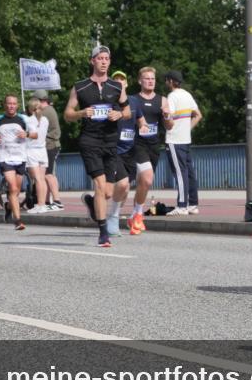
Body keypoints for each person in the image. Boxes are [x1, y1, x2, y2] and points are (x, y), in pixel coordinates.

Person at [64, 45, 129, 248]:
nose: (103, 61)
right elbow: (67, 114)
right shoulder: (80, 87)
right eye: (100, 58)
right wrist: (82, 113)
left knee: (108, 192)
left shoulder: (117, 87)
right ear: (92, 61)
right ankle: (103, 233)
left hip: (110, 142)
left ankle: (93, 204)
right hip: (89, 141)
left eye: (106, 58)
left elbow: (128, 111)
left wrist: (119, 114)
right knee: (100, 186)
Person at [128, 67, 172, 235]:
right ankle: (139, 214)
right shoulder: (133, 100)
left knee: (144, 183)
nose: (150, 81)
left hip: (154, 145)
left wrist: (167, 116)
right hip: (137, 144)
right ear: (140, 81)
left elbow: (169, 126)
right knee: (147, 178)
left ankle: (134, 215)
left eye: (152, 78)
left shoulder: (162, 100)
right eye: (146, 78)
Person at [0, 95, 30, 231]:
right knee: (12, 187)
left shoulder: (24, 119)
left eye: (14, 104)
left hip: (21, 157)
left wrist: (27, 135)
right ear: (4, 105)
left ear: (17, 105)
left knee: (16, 190)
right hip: (5, 157)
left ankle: (8, 207)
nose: (11, 106)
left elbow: (35, 134)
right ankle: (17, 220)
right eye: (9, 103)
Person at [164, 70, 201, 216]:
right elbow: (198, 115)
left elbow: (169, 120)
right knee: (189, 172)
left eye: (167, 80)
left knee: (180, 173)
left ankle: (181, 205)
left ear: (171, 81)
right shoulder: (187, 94)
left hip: (174, 139)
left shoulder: (172, 96)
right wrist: (188, 128)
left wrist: (166, 119)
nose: (166, 82)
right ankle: (192, 204)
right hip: (186, 139)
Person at [106, 70, 138, 235]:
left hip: (130, 152)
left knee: (122, 190)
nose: (119, 82)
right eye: (116, 80)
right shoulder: (110, 103)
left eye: (122, 80)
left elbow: (142, 120)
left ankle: (102, 209)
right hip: (113, 150)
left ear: (126, 83)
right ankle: (112, 217)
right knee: (122, 185)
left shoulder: (134, 102)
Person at [33, 89, 64, 210]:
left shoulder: (45, 112)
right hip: (50, 145)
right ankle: (46, 201)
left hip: (50, 145)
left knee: (48, 174)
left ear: (39, 100)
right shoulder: (49, 110)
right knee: (44, 174)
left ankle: (57, 201)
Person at [25, 97, 51, 213]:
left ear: (31, 109)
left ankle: (40, 204)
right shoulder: (45, 120)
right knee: (42, 179)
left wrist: (24, 134)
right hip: (42, 150)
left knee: (37, 179)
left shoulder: (29, 120)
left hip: (32, 150)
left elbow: (32, 134)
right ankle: (42, 204)